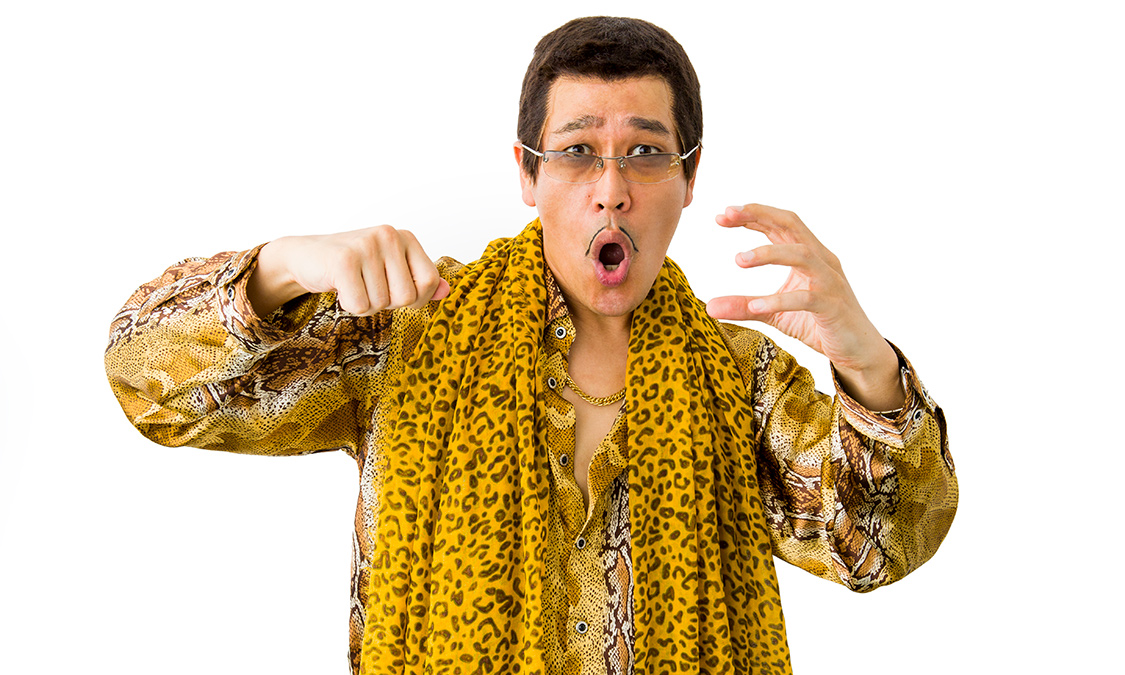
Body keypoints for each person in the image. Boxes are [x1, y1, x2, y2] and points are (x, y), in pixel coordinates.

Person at [105, 16, 957, 675]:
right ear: (527, 172)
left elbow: (878, 544)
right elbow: (154, 389)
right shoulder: (407, 332)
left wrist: (867, 365)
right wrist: (283, 268)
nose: (611, 190)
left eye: (646, 153)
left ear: (690, 177)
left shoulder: (743, 381)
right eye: (578, 152)